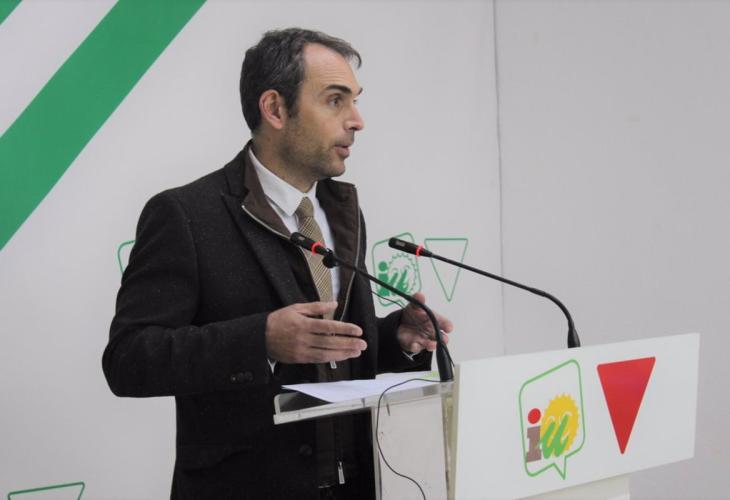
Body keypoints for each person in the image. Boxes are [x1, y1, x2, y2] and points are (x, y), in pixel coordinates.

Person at [102, 28, 453, 500]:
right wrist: (260, 341)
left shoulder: (342, 211)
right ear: (275, 109)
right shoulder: (186, 214)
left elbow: (332, 356)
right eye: (335, 100)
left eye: (355, 101)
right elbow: (129, 359)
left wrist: (396, 338)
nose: (357, 121)